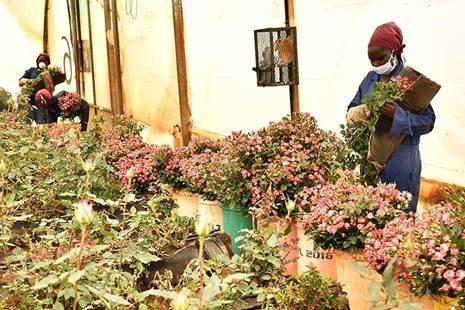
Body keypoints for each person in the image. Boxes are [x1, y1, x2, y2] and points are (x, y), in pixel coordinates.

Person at [346, 22, 436, 212]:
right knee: (370, 217)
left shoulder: (410, 82)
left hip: (401, 161)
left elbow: (428, 122)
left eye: (381, 58)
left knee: (398, 219)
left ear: (395, 52)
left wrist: (398, 115)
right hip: (370, 159)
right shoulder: (370, 79)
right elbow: (353, 106)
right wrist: (356, 113)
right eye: (372, 61)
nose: (377, 64)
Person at [19, 53, 57, 123]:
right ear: (37, 62)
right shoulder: (31, 70)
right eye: (40, 61)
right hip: (30, 101)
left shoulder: (50, 73)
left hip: (42, 102)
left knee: (41, 121)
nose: (42, 62)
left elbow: (51, 89)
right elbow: (20, 81)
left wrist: (46, 75)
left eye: (44, 61)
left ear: (48, 63)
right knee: (30, 121)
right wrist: (29, 81)